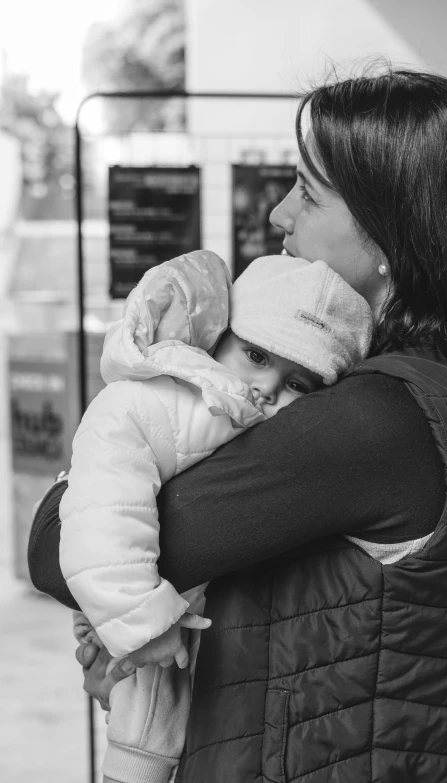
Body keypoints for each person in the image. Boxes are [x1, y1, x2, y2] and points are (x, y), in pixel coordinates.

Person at [28, 66, 447, 783]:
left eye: (308, 192)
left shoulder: (371, 420)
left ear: (391, 234)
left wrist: (137, 419)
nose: (279, 215)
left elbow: (56, 545)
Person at [58, 249, 373, 783]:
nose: (269, 387)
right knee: (140, 744)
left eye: (298, 384)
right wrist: (135, 616)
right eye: (255, 355)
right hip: (140, 607)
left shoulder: (261, 432)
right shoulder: (162, 401)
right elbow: (103, 497)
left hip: (186, 631)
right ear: (218, 337)